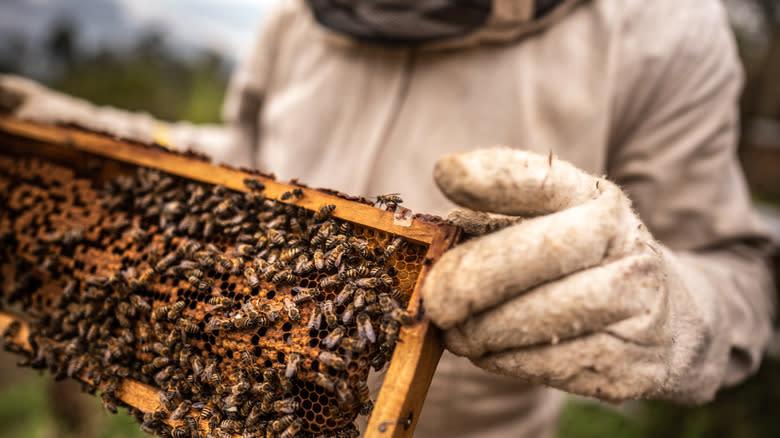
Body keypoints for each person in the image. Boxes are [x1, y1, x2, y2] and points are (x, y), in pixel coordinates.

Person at [0, 0, 775, 437]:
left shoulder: (666, 31)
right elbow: (244, 163)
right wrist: (97, 138)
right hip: (235, 414)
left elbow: (739, 273)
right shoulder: (292, 26)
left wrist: (675, 313)